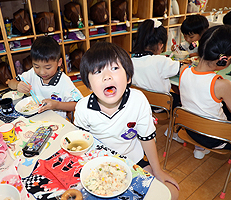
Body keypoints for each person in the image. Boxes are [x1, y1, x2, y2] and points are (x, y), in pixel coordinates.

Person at [74, 41, 179, 200]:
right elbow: (83, 143)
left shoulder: (138, 100)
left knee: (171, 192)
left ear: (128, 77)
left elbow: (147, 138)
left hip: (133, 161)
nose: (107, 76)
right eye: (97, 71)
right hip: (99, 164)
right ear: (89, 85)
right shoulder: (82, 108)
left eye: (115, 68)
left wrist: (157, 170)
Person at [179, 25, 231, 159]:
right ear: (226, 59)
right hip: (216, 138)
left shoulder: (183, 71)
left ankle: (199, 149)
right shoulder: (222, 84)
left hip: (191, 130)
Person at [131, 19, 183, 143]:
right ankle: (174, 131)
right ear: (160, 45)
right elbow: (181, 68)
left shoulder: (130, 61)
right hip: (162, 107)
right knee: (184, 101)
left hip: (141, 104)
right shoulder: (161, 61)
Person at [8, 36, 83, 118]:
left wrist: (57, 105)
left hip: (57, 122)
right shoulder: (32, 73)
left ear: (59, 62)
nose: (42, 72)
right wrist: (17, 85)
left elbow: (79, 105)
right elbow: (11, 83)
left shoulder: (64, 81)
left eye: (47, 68)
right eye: (36, 66)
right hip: (35, 119)